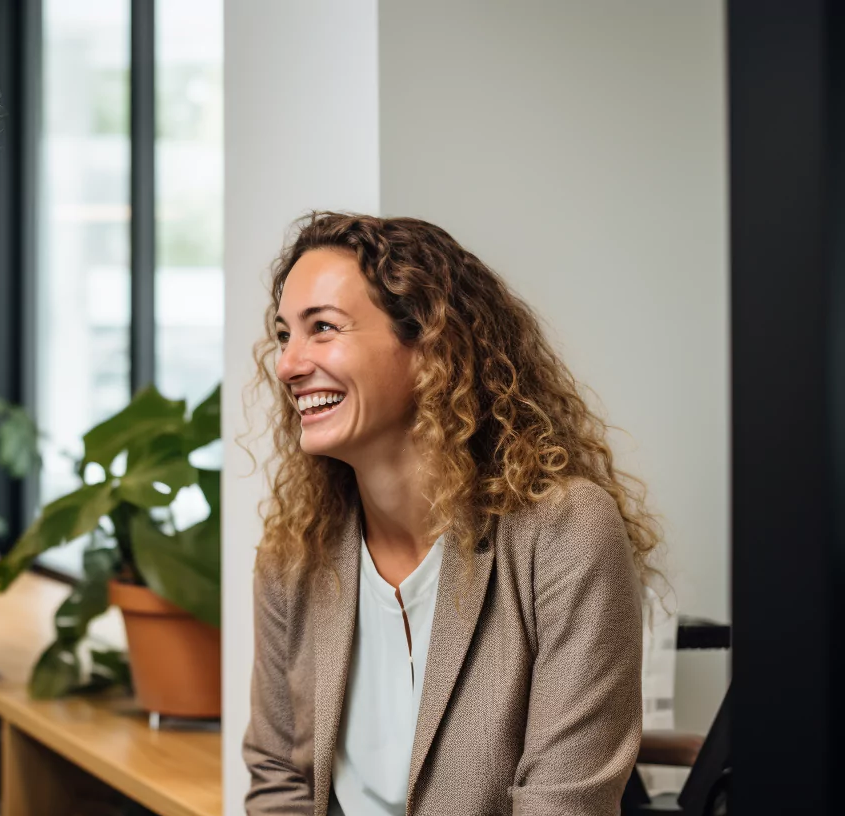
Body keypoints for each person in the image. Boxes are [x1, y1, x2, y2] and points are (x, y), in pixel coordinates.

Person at [243, 212, 657, 815]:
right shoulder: (294, 555)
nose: (288, 364)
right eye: (285, 335)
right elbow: (279, 778)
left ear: (431, 344)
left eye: (323, 328)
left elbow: (564, 806)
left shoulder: (566, 533)